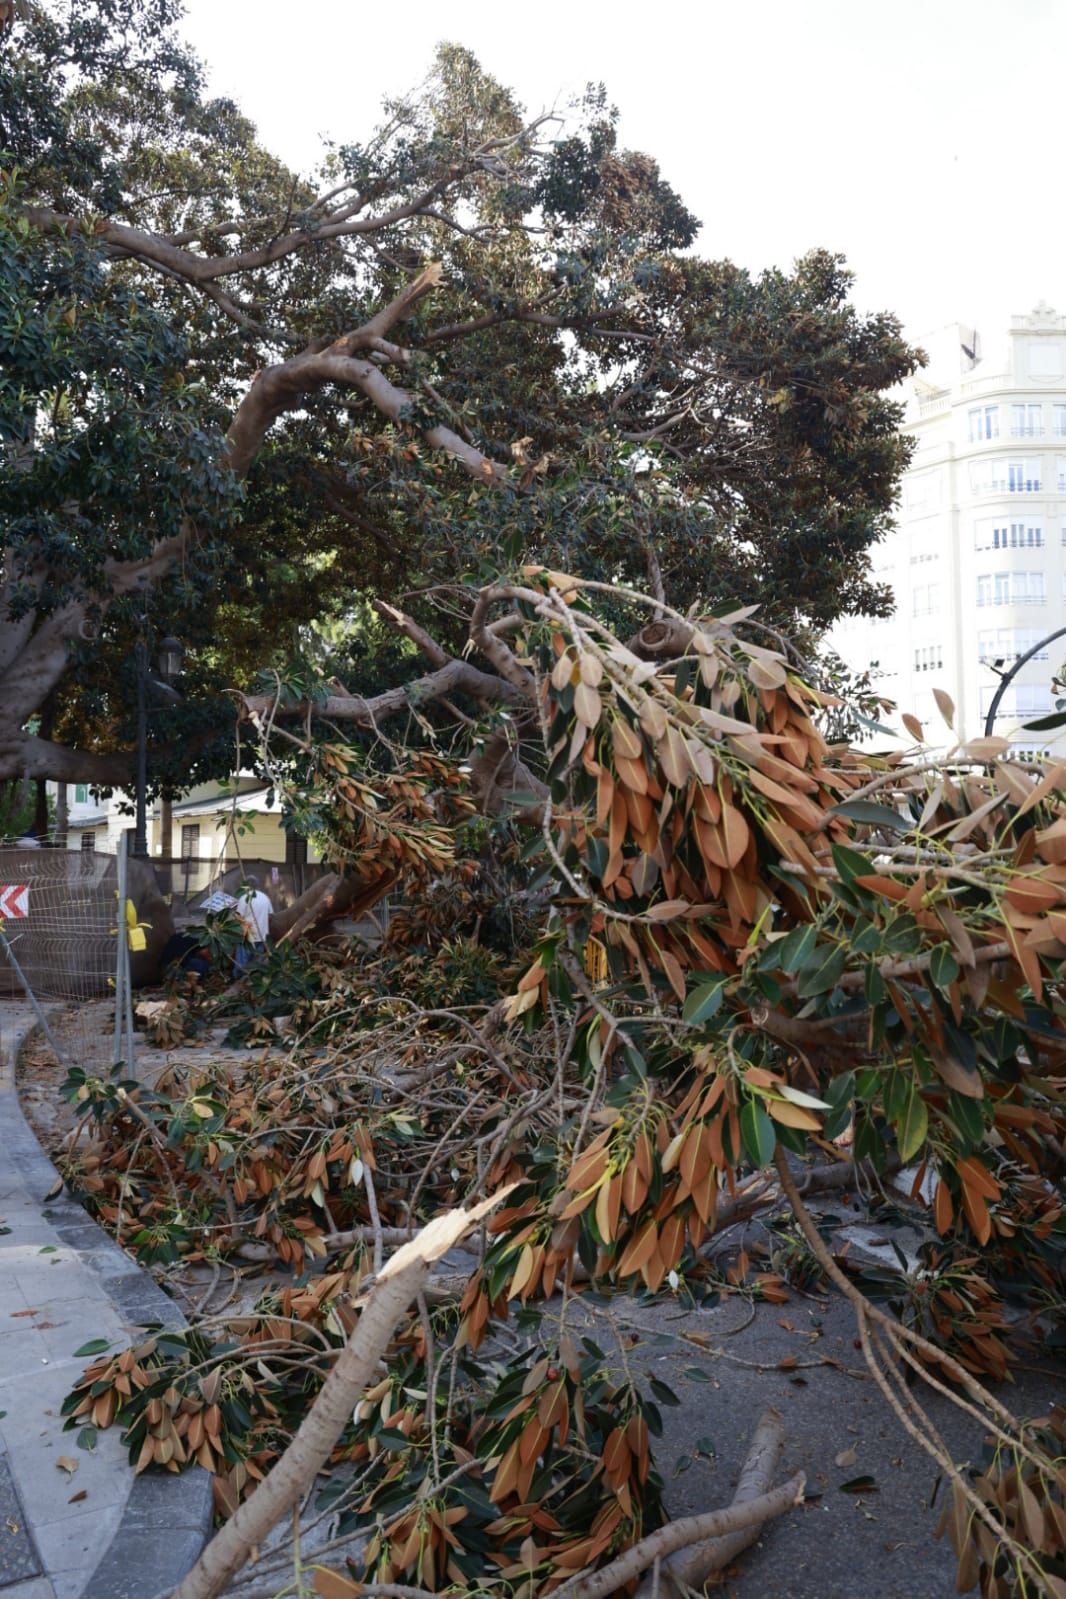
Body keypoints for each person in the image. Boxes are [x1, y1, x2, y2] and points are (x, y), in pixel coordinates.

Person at [234, 874, 273, 974]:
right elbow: (270, 917)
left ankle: (238, 981)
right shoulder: (265, 897)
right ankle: (253, 982)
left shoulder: (244, 898)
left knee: (242, 963)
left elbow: (239, 917)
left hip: (247, 936)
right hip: (262, 935)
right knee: (257, 963)